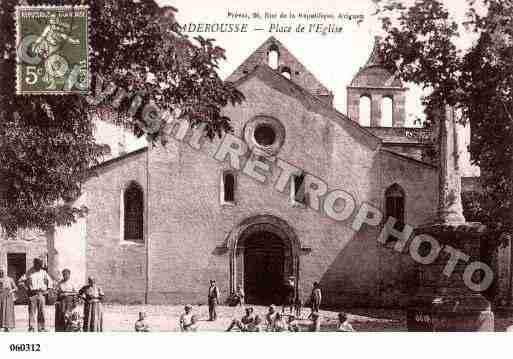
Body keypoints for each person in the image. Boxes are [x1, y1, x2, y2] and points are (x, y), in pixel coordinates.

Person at [19, 258, 52, 332]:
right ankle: (32, 327)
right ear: (35, 264)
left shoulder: (43, 272)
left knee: (41, 312)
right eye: (38, 265)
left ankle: (41, 327)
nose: (39, 267)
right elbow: (20, 281)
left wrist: (47, 290)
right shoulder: (29, 272)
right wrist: (26, 289)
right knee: (32, 312)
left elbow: (50, 281)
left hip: (41, 294)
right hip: (32, 294)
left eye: (41, 265)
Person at [0, 268, 17, 332]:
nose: (2, 273)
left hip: (8, 297)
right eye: (0, 272)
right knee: (1, 310)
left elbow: (16, 288)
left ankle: (7, 326)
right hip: (1, 296)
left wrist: (10, 291)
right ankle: (2, 325)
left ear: (5, 272)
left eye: (3, 272)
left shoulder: (10, 279)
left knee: (8, 312)